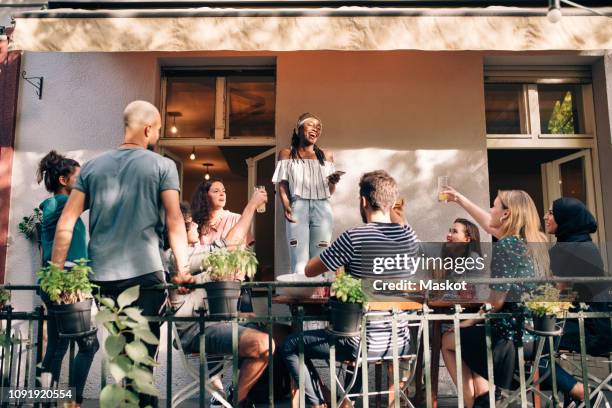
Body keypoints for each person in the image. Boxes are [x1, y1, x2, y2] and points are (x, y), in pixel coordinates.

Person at [50, 100, 194, 407]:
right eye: (156, 130)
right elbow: (174, 219)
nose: (156, 136)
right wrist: (183, 268)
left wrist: (56, 273)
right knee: (140, 364)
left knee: (121, 356)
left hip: (101, 278)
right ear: (147, 129)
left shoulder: (92, 167)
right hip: (145, 276)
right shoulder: (162, 166)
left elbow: (67, 220)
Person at [281, 170, 420, 408]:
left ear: (363, 201)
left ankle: (317, 404)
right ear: (391, 203)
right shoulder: (409, 237)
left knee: (291, 345)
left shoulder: (354, 237)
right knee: (350, 335)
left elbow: (310, 270)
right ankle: (345, 400)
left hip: (360, 341)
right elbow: (402, 227)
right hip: (399, 341)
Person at [168, 190, 280, 407]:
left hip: (213, 324)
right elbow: (228, 245)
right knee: (264, 344)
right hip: (196, 332)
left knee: (265, 334)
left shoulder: (192, 252)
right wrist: (251, 206)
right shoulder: (177, 257)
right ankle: (234, 400)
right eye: (190, 224)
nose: (195, 227)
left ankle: (231, 399)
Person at [440, 188, 550, 408]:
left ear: (506, 214)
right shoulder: (533, 242)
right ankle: (482, 396)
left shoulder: (506, 246)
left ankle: (474, 403)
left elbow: (496, 302)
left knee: (448, 341)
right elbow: (488, 224)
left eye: (494, 205)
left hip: (508, 337)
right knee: (467, 339)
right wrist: (461, 199)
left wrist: (468, 322)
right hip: (533, 335)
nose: (490, 209)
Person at [36, 151, 99, 407]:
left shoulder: (55, 205)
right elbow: (94, 198)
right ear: (64, 180)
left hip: (59, 282)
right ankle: (73, 400)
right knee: (88, 346)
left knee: (57, 347)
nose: (83, 181)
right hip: (67, 282)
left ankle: (45, 401)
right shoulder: (60, 205)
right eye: (79, 177)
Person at [542, 197, 611, 403]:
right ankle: (573, 394)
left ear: (566, 218)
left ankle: (579, 392)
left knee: (533, 345)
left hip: (592, 330)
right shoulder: (575, 245)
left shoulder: (572, 249)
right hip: (583, 323)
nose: (545, 217)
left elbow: (557, 293)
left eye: (551, 212)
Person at [272, 113, 342, 274]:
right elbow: (282, 184)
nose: (315, 129)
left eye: (318, 127)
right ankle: (301, 296)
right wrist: (286, 205)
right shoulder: (286, 154)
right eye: (311, 125)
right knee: (299, 257)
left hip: (322, 207)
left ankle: (319, 296)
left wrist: (333, 182)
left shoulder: (326, 155)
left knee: (321, 256)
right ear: (298, 129)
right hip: (298, 206)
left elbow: (329, 191)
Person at [191, 179, 254, 246]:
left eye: (223, 191)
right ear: (205, 196)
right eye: (216, 191)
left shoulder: (236, 219)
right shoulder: (196, 223)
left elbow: (245, 252)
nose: (222, 194)